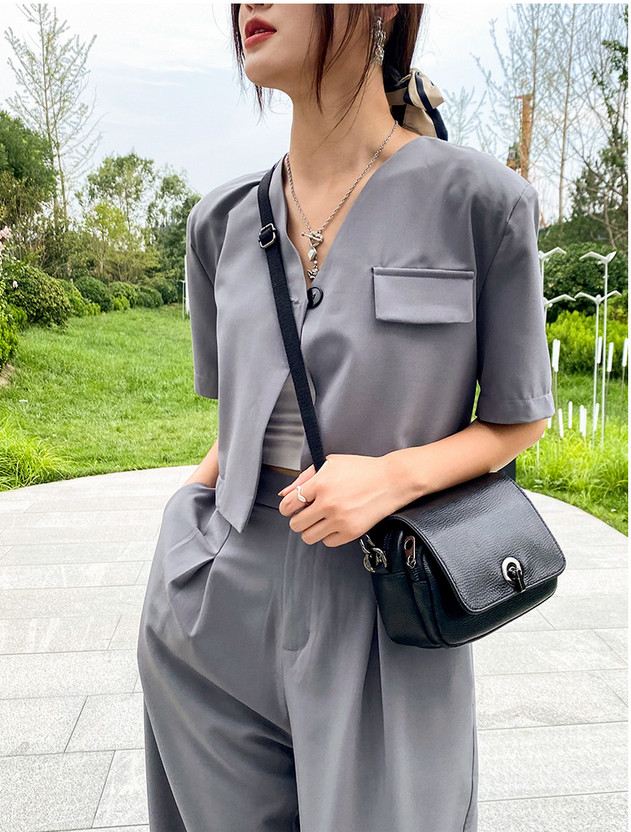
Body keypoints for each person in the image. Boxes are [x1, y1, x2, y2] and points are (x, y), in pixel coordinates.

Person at [136, 5, 555, 831]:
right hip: (211, 606)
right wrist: (180, 532)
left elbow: (518, 420)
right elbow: (234, 420)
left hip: (386, 599)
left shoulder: (483, 204)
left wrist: (390, 478)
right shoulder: (220, 223)